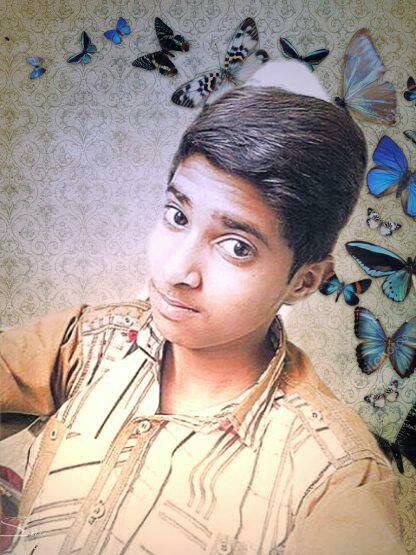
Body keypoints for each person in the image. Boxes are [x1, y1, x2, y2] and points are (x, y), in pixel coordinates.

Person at [0, 60, 406, 554]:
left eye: (236, 247)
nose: (177, 271)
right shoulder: (95, 339)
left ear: (304, 281)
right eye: (177, 216)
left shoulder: (334, 478)